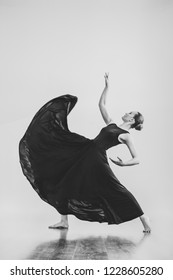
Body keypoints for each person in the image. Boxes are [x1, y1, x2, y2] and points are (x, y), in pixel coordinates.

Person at [19, 73, 151, 233]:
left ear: (132, 120)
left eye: (130, 113)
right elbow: (101, 105)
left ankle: (144, 219)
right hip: (84, 150)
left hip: (96, 159)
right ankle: (64, 221)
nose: (127, 112)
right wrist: (107, 87)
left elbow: (137, 159)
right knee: (66, 179)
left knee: (116, 188)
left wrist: (124, 163)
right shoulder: (112, 123)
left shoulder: (126, 135)